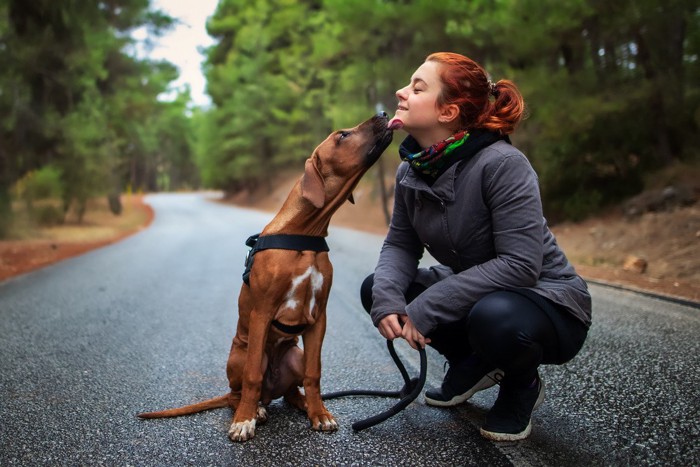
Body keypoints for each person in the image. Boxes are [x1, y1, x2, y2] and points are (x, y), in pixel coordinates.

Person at [360, 52, 592, 441]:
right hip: (480, 292)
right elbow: (401, 244)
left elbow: (520, 265)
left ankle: (522, 386)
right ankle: (471, 362)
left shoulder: (502, 163)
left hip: (547, 302)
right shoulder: (411, 169)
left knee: (494, 317)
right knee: (377, 287)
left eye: (417, 88)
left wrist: (429, 305)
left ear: (448, 112)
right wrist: (387, 299)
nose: (401, 92)